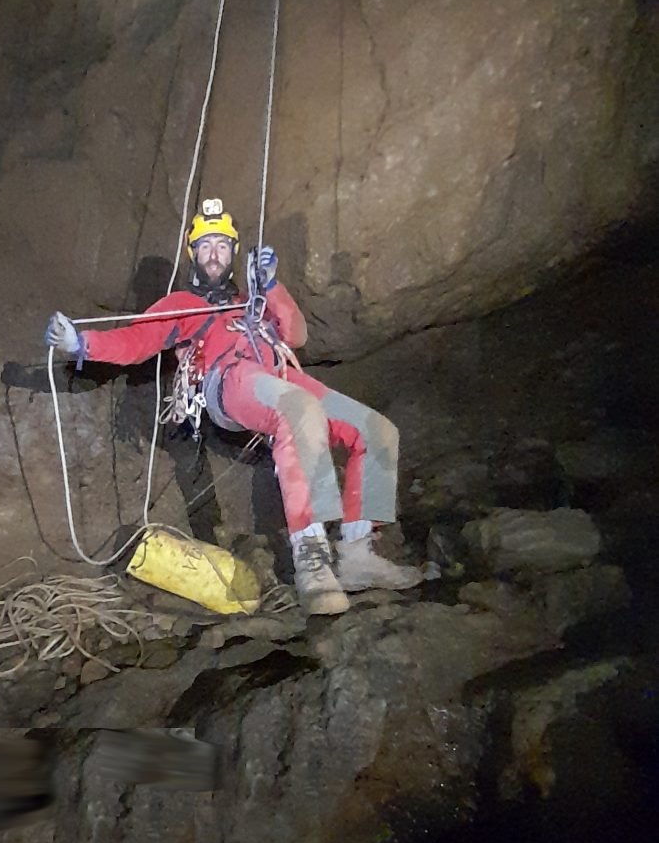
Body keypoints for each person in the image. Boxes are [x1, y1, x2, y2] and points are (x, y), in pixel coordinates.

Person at [45, 200, 424, 615]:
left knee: (375, 430)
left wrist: (272, 286)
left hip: (278, 375)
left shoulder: (252, 300)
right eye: (206, 246)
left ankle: (357, 555)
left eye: (222, 246)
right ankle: (311, 559)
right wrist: (81, 344)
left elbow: (296, 336)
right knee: (299, 409)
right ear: (193, 253)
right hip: (228, 381)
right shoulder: (181, 304)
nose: (214, 254)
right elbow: (135, 341)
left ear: (233, 253)